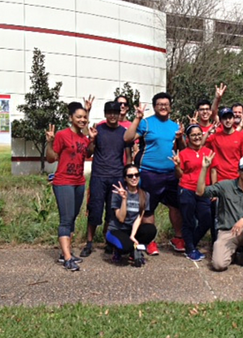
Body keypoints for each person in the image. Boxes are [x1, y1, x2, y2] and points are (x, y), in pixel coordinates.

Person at [124, 92, 186, 253]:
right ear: (154, 107)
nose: (163, 107)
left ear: (170, 107)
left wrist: (180, 138)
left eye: (166, 104)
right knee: (149, 208)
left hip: (171, 173)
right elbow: (128, 138)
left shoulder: (175, 126)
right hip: (149, 173)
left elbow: (184, 150)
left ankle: (178, 238)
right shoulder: (146, 123)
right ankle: (150, 241)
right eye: (160, 104)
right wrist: (137, 118)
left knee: (175, 206)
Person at [196, 155, 243, 271]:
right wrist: (204, 168)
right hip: (227, 232)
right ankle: (234, 254)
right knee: (219, 265)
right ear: (238, 171)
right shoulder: (225, 186)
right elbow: (200, 192)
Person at [46, 102, 95, 271]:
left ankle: (64, 252)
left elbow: (88, 153)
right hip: (63, 182)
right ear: (70, 118)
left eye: (84, 117)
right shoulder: (62, 135)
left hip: (78, 182)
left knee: (72, 218)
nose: (82, 120)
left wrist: (92, 140)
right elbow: (51, 158)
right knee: (65, 219)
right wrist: (50, 143)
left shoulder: (84, 138)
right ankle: (67, 258)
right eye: (78, 117)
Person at [81, 101, 132, 258]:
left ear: (120, 114)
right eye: (109, 112)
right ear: (105, 114)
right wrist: (92, 139)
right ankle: (89, 243)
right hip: (99, 176)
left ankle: (108, 242)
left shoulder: (124, 132)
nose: (112, 115)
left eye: (115, 112)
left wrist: (129, 176)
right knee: (94, 210)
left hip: (117, 177)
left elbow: (129, 156)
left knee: (112, 212)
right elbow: (88, 153)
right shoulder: (99, 130)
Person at [171, 124, 213, 262]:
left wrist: (214, 189)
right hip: (187, 189)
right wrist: (177, 166)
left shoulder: (208, 152)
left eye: (199, 134)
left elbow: (213, 170)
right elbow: (179, 175)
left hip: (204, 190)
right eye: (193, 135)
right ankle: (190, 249)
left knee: (206, 219)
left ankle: (191, 244)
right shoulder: (183, 154)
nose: (197, 137)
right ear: (187, 138)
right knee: (188, 221)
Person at [106, 165, 157, 267]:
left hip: (131, 230)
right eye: (130, 176)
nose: (134, 178)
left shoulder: (145, 195)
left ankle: (134, 250)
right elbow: (121, 219)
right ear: (125, 178)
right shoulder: (117, 194)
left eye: (136, 175)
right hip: (117, 229)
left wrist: (133, 235)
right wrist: (124, 199)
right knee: (126, 247)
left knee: (151, 229)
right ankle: (119, 251)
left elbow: (139, 218)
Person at [205, 107, 243, 183]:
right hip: (220, 179)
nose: (228, 120)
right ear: (220, 121)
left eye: (230, 118)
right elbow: (200, 146)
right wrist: (207, 132)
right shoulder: (215, 137)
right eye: (225, 118)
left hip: (237, 178)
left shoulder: (241, 137)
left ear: (233, 119)